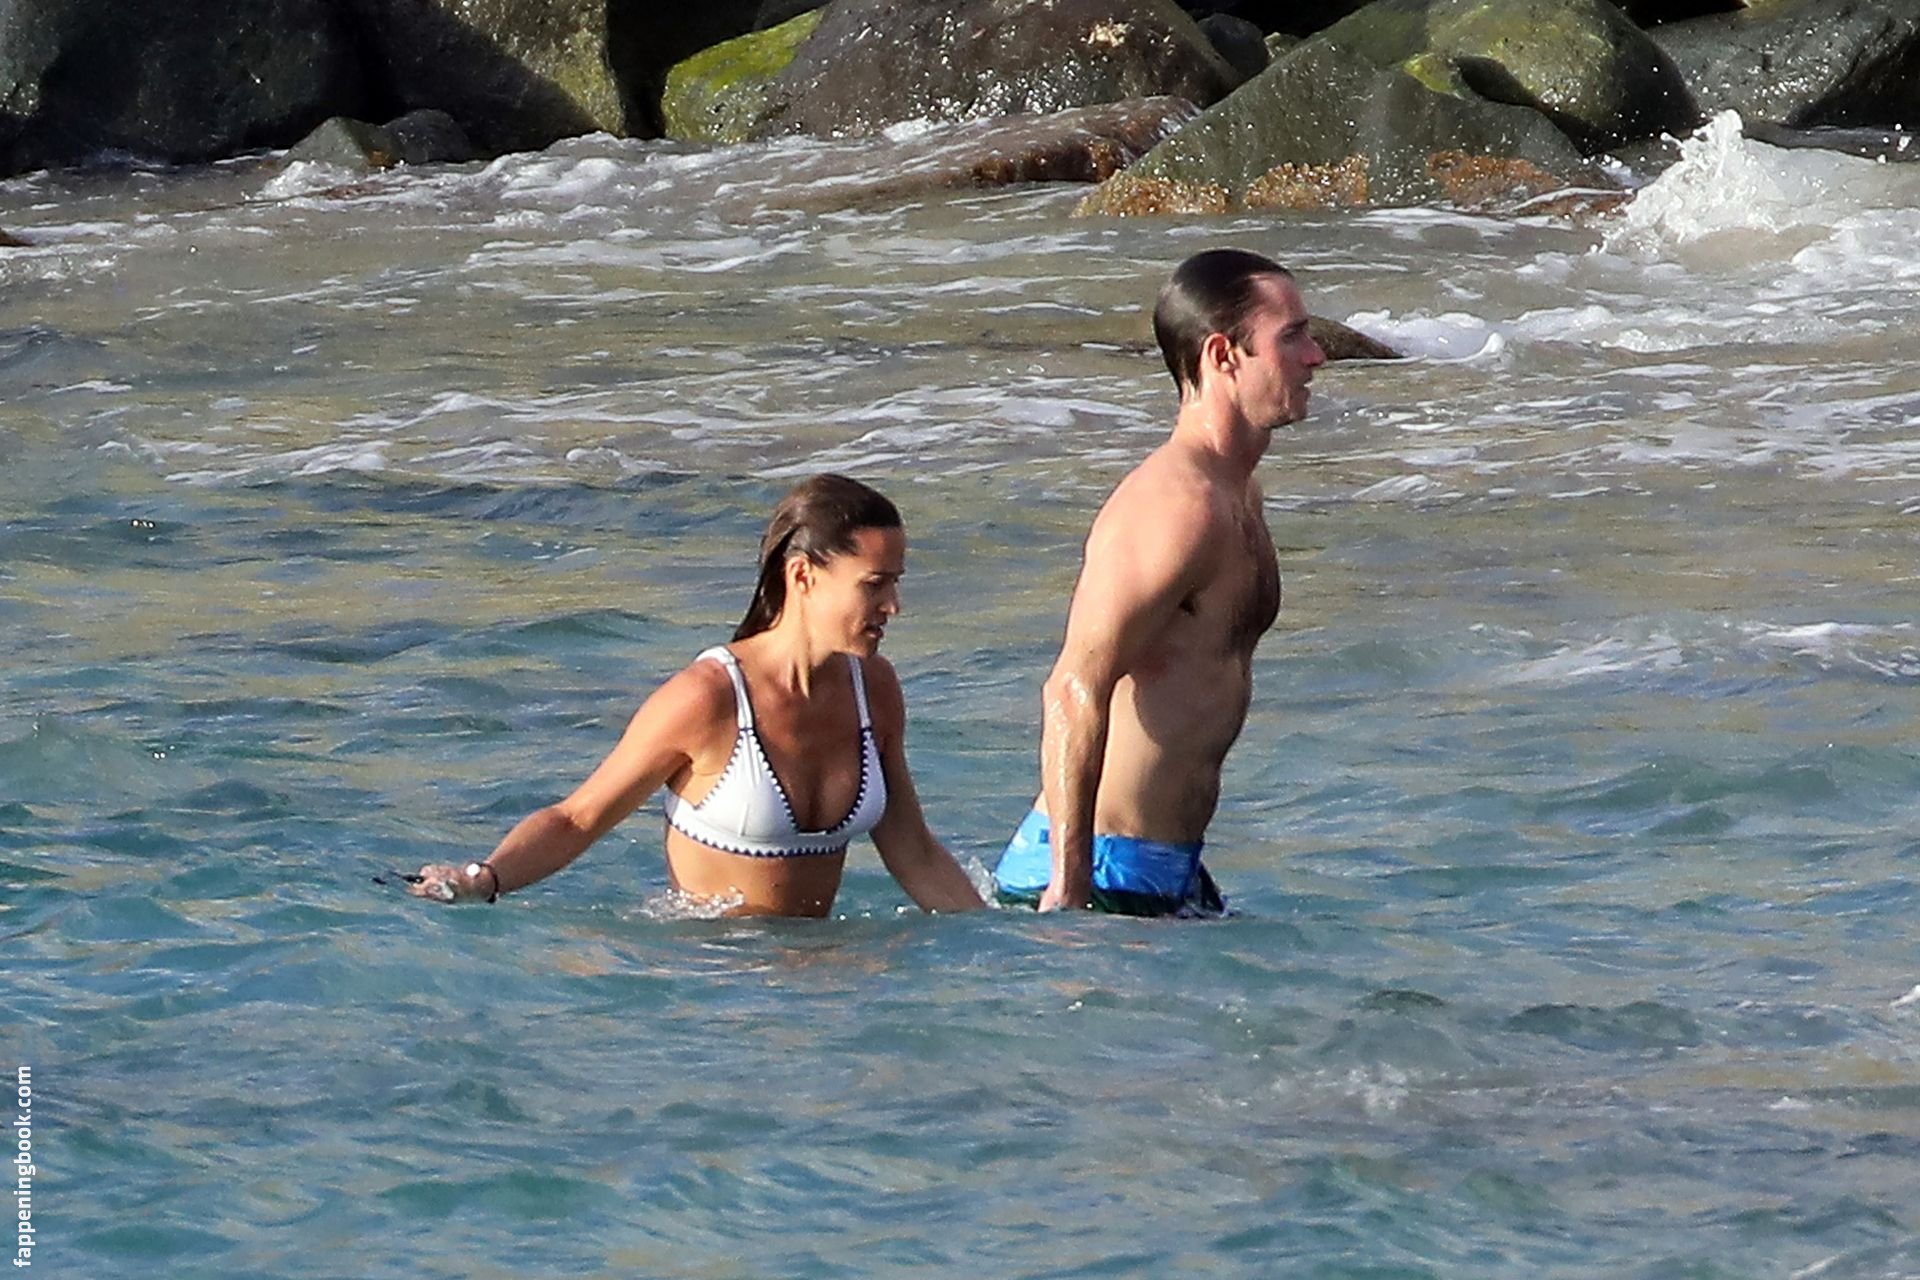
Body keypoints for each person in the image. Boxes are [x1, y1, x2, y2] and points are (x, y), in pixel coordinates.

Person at [411, 474, 986, 917]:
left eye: (896, 583)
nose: (893, 606)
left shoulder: (875, 690)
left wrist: (1001, 952)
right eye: (874, 585)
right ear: (802, 577)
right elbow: (578, 818)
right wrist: (483, 879)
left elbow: (914, 851)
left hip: (824, 991)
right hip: (708, 990)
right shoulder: (707, 698)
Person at [994, 248, 1326, 916]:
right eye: (1291, 337)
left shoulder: (1238, 493)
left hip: (1167, 870)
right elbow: (1072, 687)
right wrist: (1069, 891)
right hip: (1099, 876)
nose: (1316, 356)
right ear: (1223, 356)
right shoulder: (1175, 507)